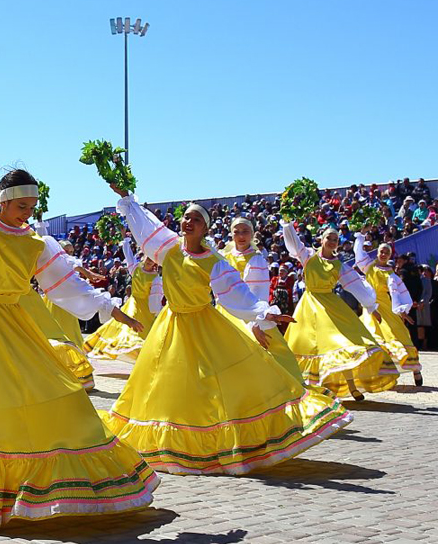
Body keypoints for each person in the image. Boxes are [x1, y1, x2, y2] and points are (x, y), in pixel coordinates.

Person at [0, 126, 157, 524]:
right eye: (21, 206)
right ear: (3, 203)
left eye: (31, 206)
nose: (27, 212)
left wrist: (111, 309)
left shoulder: (35, 243)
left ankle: (57, 467)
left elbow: (65, 284)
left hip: (15, 320)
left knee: (54, 385)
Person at [104, 190, 351, 475]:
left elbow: (238, 294)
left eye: (196, 219)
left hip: (202, 323)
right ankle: (173, 440)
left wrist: (263, 313)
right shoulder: (167, 248)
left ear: (205, 228)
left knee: (212, 381)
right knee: (163, 383)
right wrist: (129, 201)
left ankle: (215, 439)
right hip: (169, 325)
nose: (188, 222)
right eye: (186, 217)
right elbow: (146, 227)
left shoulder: (214, 261)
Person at [281, 221, 397, 401]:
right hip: (309, 306)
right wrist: (288, 225)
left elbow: (355, 285)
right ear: (321, 239)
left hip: (331, 306)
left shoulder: (339, 265)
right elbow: (294, 244)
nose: (332, 242)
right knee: (310, 347)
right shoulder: (308, 256)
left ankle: (351, 386)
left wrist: (371, 306)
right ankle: (313, 391)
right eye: (329, 238)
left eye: (335, 239)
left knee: (342, 344)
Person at [219, 217, 303, 382]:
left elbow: (258, 294)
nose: (241, 235)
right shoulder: (223, 257)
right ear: (231, 234)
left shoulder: (256, 259)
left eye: (245, 231)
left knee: (270, 354)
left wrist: (255, 322)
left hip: (249, 312)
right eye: (237, 232)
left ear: (252, 234)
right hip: (225, 313)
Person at [353, 236, 423, 386]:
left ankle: (415, 368)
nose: (383, 254)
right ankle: (381, 374)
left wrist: (401, 311)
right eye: (381, 251)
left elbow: (397, 294)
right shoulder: (368, 266)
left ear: (390, 255)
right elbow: (358, 254)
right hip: (370, 307)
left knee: (397, 334)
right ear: (377, 252)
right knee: (371, 337)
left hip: (385, 307)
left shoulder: (391, 275)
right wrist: (360, 237)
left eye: (386, 252)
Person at [83, 238, 164, 365]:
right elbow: (129, 257)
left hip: (146, 308)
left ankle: (145, 359)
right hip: (132, 303)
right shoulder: (136, 268)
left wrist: (155, 312)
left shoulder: (156, 278)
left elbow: (155, 298)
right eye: (148, 258)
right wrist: (125, 241)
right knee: (126, 326)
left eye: (152, 260)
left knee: (143, 332)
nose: (149, 261)